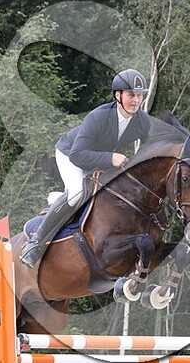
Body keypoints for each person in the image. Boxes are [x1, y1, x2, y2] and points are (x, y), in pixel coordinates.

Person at [19, 69, 152, 268]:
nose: (136, 100)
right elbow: (77, 155)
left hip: (99, 160)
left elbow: (149, 150)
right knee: (77, 194)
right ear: (118, 95)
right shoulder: (98, 116)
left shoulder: (142, 121)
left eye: (139, 95)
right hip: (71, 154)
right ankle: (35, 243)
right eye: (131, 95)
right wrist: (110, 158)